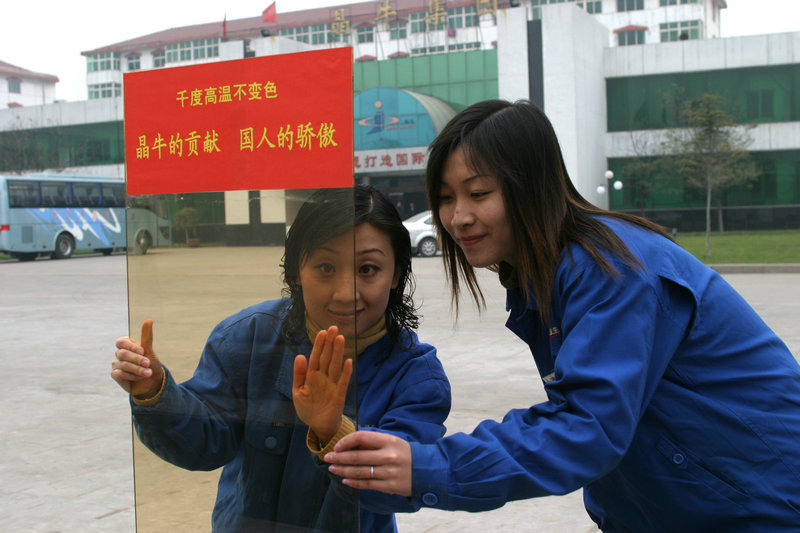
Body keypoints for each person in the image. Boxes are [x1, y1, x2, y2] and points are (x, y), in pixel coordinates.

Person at [324, 100, 800, 531]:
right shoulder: (543, 277)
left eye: (478, 192)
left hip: (761, 504)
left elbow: (586, 426)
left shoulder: (611, 268)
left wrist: (431, 466)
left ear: (530, 187)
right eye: (446, 198)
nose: (458, 217)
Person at [111, 185, 451, 533]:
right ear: (296, 272)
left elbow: (402, 488)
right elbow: (206, 444)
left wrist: (334, 432)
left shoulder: (419, 378)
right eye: (325, 267)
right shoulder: (247, 338)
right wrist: (156, 394)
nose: (346, 292)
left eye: (368, 269)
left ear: (396, 273)